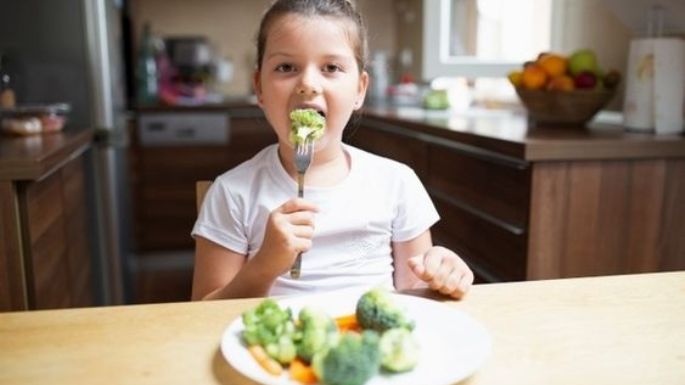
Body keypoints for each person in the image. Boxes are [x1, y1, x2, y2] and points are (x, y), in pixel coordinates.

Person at [191, 0, 473, 300]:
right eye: (286, 67)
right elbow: (203, 311)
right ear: (259, 87)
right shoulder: (232, 192)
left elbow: (415, 293)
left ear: (360, 89)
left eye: (331, 68)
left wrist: (441, 274)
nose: (308, 84)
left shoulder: (397, 183)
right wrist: (263, 265)